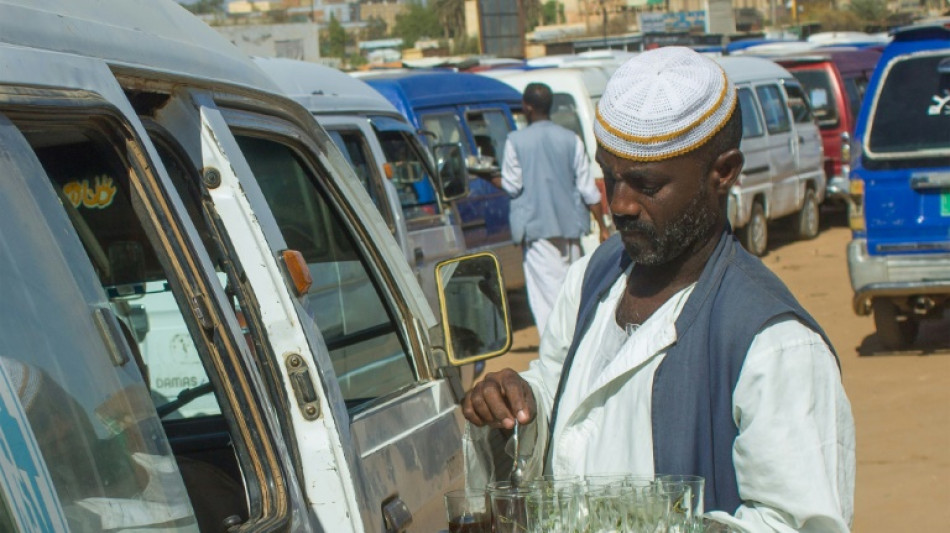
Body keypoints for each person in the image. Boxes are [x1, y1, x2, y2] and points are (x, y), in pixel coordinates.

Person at [462, 47, 855, 531]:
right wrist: (520, 402)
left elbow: (799, 521)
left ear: (724, 172)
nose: (620, 204)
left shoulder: (775, 345)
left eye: (646, 184)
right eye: (610, 176)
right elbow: (562, 389)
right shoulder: (594, 277)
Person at [485, 82, 609, 335]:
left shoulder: (516, 141)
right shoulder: (570, 139)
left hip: (537, 230)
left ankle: (556, 350)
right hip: (570, 229)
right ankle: (576, 340)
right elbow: (588, 190)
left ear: (526, 107)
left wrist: (488, 177)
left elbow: (512, 185)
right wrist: (603, 227)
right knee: (570, 288)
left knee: (546, 297)